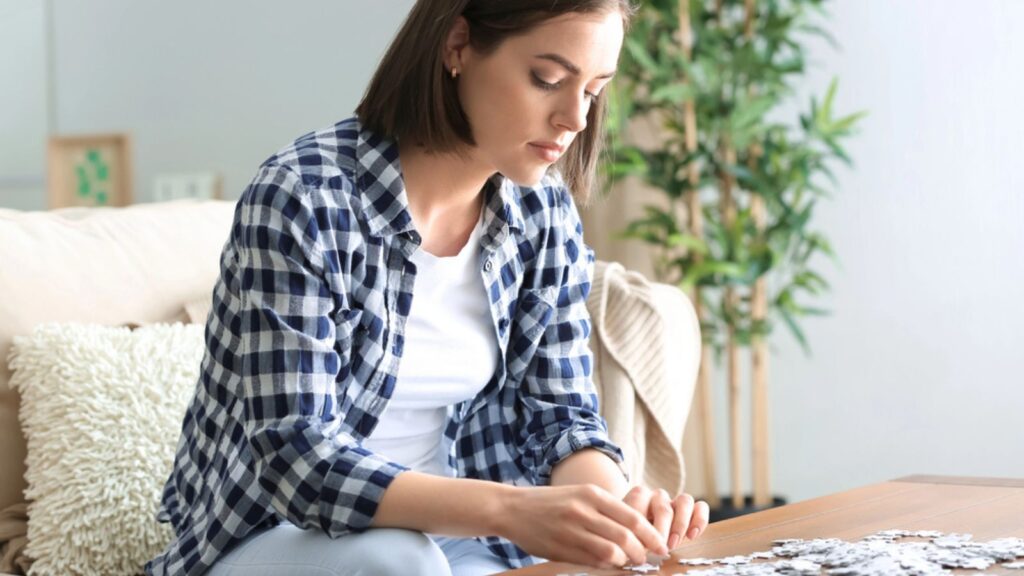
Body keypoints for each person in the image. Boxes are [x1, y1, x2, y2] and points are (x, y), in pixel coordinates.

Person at [146, 1, 710, 574]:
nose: (575, 119)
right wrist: (511, 511)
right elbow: (299, 459)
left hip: (459, 539)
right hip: (277, 536)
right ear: (457, 46)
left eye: (593, 91)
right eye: (548, 80)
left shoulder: (542, 209)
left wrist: (613, 510)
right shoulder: (303, 199)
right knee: (402, 562)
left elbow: (560, 415)